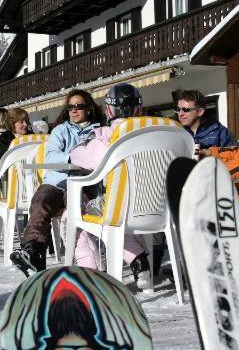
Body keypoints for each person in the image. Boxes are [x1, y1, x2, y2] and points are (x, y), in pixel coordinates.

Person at [65, 84, 152, 287]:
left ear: (109, 109)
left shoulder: (109, 136)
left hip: (121, 207)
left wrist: (91, 140)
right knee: (116, 219)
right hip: (156, 206)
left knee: (71, 215)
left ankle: (92, 272)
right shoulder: (162, 130)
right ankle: (140, 260)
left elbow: (78, 156)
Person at [10, 89, 103, 275]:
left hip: (83, 184)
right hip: (56, 181)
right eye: (70, 107)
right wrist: (77, 158)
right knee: (40, 201)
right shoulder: (61, 130)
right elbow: (51, 156)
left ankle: (89, 263)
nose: (74, 110)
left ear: (89, 108)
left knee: (76, 210)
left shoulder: (99, 131)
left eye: (79, 106)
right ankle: (33, 252)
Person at [176, 89, 236, 155]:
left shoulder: (220, 132)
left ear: (200, 112)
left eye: (185, 109)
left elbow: (235, 155)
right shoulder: (177, 134)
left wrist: (207, 153)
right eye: (178, 109)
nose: (180, 114)